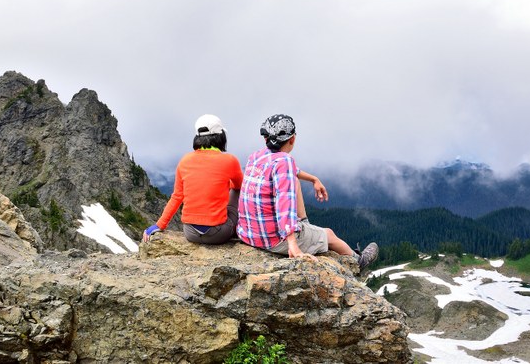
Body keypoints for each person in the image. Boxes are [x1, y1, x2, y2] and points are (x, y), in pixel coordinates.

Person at [237, 114, 379, 270]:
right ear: (293, 139)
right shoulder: (285, 161)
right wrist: (293, 245)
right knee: (330, 234)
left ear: (266, 139)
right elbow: (284, 204)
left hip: (248, 234)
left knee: (295, 181)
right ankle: (359, 262)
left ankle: (305, 227)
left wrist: (313, 179)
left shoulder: (256, 157)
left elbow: (291, 172)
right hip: (273, 240)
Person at [142, 114, 243, 244]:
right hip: (219, 234)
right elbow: (240, 186)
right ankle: (248, 229)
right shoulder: (230, 160)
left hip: (190, 233)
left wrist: (159, 225)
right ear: (221, 136)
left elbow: (177, 196)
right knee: (236, 191)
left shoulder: (185, 160)